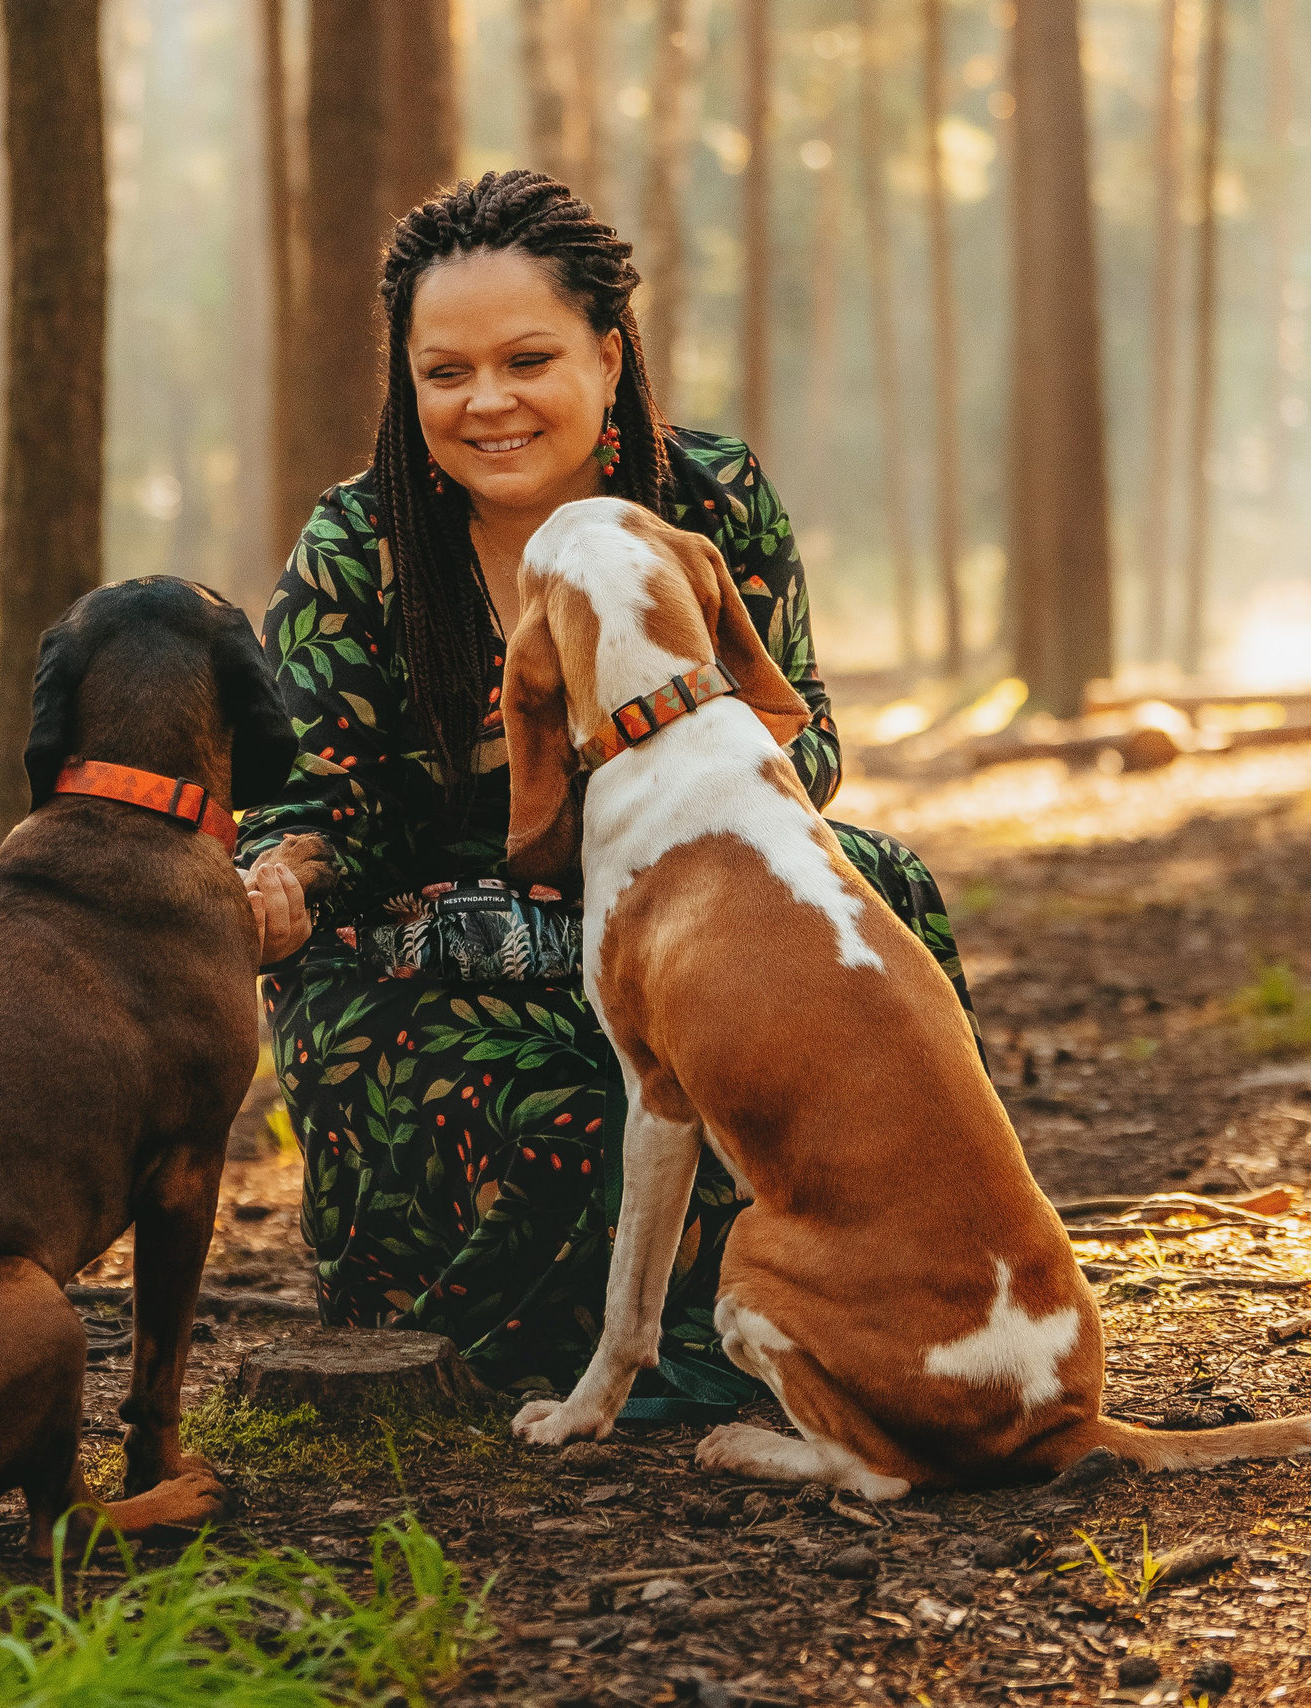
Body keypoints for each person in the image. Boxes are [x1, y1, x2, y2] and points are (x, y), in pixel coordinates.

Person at [235, 170, 978, 1414]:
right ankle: (577, 1345)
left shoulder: (708, 497)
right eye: (445, 372)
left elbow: (805, 739)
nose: (488, 403)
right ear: (406, 382)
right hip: (446, 945)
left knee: (885, 881)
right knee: (522, 1072)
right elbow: (309, 804)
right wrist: (281, 879)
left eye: (527, 359)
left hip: (685, 899)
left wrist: (638, 778)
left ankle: (894, 1287)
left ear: (606, 351)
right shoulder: (359, 546)